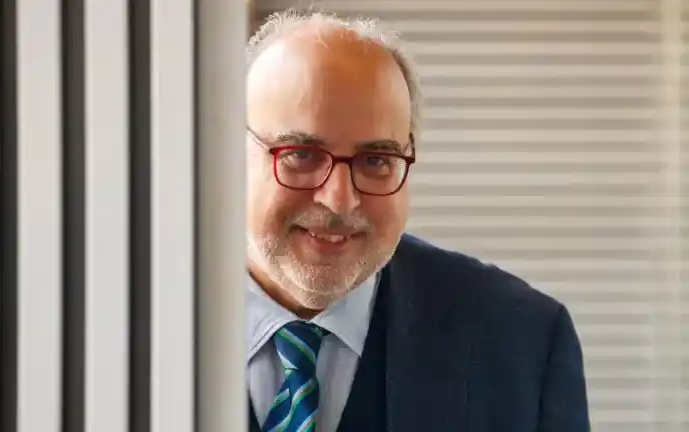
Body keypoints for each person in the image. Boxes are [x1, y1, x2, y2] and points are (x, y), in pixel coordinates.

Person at [245, 10, 590, 432]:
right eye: (301, 154)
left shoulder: (523, 343)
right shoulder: (163, 317)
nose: (340, 200)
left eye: (376, 160)